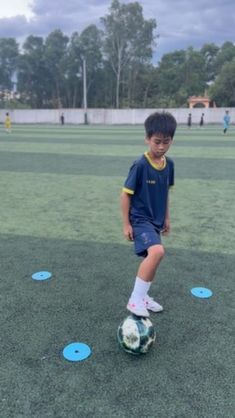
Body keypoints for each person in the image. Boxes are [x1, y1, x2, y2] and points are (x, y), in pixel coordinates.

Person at [120, 111, 177, 317]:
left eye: (166, 142)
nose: (161, 147)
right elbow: (125, 195)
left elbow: (165, 193)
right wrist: (126, 224)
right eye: (157, 142)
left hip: (156, 220)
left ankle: (143, 296)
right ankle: (135, 300)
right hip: (140, 219)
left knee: (154, 257)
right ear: (147, 139)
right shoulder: (140, 165)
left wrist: (167, 217)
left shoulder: (169, 165)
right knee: (157, 252)